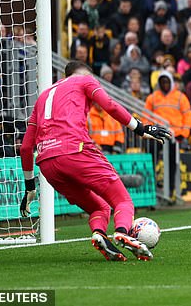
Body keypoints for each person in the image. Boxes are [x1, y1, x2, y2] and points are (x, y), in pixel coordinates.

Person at [19, 61, 170, 262]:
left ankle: (100, 234)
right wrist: (141, 128)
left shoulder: (43, 97)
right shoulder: (85, 80)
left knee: (100, 208)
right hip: (76, 151)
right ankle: (122, 232)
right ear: (85, 74)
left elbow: (25, 147)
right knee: (122, 201)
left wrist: (30, 187)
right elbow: (110, 105)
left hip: (47, 163)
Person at [144, 71, 191, 200]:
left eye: (167, 81)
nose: (165, 84)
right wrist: (150, 131)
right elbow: (146, 116)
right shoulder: (153, 97)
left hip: (174, 135)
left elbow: (187, 116)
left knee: (172, 163)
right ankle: (152, 188)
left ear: (171, 82)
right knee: (151, 160)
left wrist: (183, 134)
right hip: (157, 134)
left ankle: (171, 190)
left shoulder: (180, 97)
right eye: (162, 82)